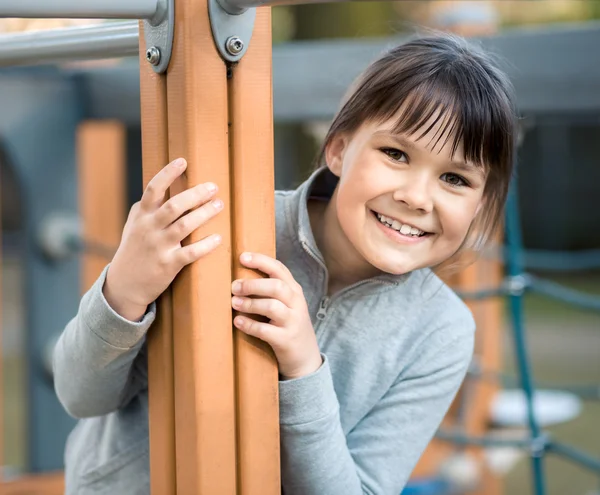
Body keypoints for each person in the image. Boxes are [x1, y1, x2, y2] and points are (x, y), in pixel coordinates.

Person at [53, 33, 516, 494]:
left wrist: (303, 368)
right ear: (339, 149)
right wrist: (125, 291)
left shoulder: (440, 332)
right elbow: (80, 395)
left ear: (481, 204)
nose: (415, 197)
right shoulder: (221, 230)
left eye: (455, 178)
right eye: (395, 154)